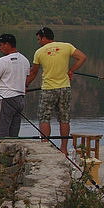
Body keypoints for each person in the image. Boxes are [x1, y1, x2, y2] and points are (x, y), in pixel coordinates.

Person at [25, 26, 87, 154]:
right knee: (64, 118)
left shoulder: (39, 52)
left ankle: (45, 147)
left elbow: (33, 73)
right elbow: (82, 58)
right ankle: (63, 149)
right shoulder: (67, 46)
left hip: (48, 89)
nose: (38, 42)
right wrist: (71, 70)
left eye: (39, 39)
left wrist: (25, 85)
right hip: (64, 88)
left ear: (44, 38)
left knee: (44, 118)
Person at [0, 33, 29, 137]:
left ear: (7, 44)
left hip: (5, 99)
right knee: (13, 134)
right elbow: (26, 78)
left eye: (1, 45)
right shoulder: (25, 60)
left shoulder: (3, 61)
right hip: (20, 100)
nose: (0, 48)